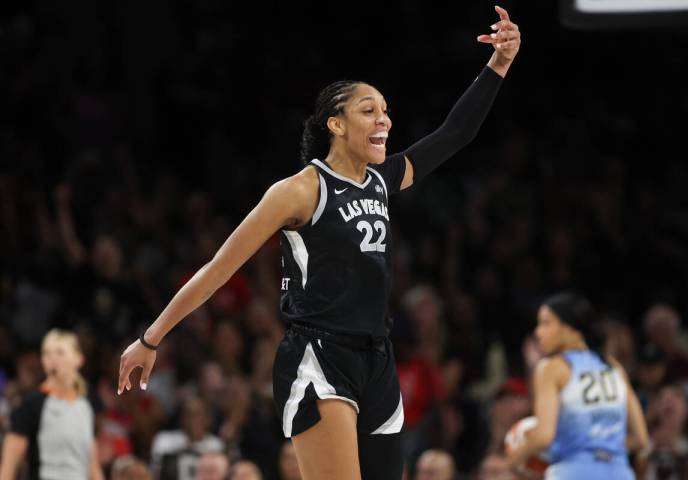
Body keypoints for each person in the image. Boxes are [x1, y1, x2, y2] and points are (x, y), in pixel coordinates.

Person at [117, 6, 521, 479]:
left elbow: (456, 133)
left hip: (378, 357)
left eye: (386, 112)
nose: (384, 121)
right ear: (336, 123)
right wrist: (151, 337)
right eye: (369, 111)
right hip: (319, 356)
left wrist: (498, 66)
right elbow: (219, 268)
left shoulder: (382, 180)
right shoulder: (301, 189)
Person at [506, 292, 649, 479]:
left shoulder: (551, 367)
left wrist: (511, 460)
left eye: (546, 323)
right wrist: (601, 448)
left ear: (570, 327)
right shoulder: (613, 367)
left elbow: (543, 436)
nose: (538, 332)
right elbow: (641, 439)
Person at [0, 329, 104, 480]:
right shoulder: (31, 404)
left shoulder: (86, 406)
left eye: (60, 352)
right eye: (47, 353)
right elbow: (8, 467)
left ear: (78, 359)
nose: (53, 359)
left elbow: (92, 466)